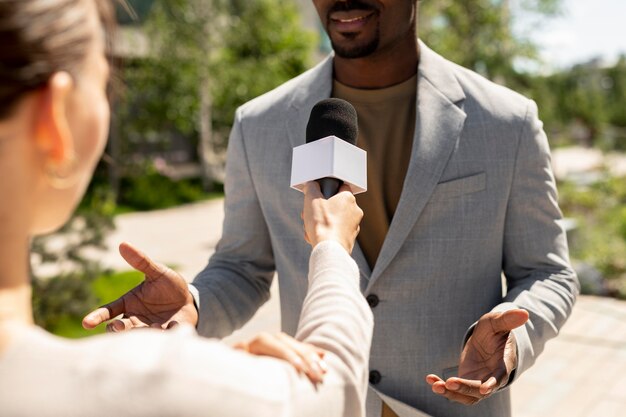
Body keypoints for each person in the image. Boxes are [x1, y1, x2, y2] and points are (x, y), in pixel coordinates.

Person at [84, 1, 579, 416]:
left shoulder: (507, 122)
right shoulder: (259, 123)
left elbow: (549, 272)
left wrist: (512, 340)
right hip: (317, 402)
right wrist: (197, 304)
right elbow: (243, 267)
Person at [0, 1, 374, 416]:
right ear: (55, 117)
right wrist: (332, 247)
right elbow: (334, 388)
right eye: (107, 85)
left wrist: (221, 374)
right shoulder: (155, 385)